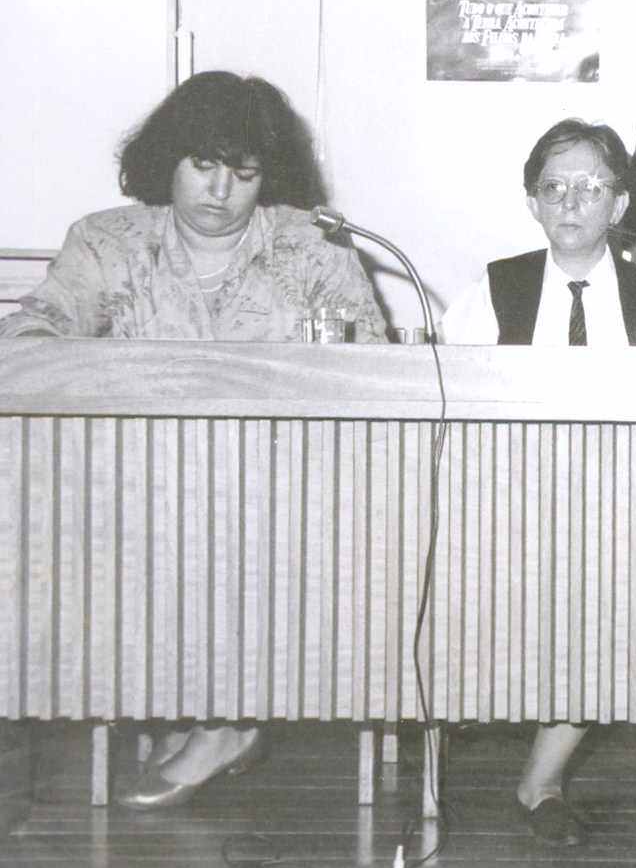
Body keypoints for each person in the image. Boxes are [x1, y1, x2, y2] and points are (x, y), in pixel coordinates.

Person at [0, 70, 388, 807]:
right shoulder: (107, 242)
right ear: (166, 160)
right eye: (203, 165)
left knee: (250, 536)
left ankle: (226, 720)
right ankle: (182, 704)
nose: (220, 191)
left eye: (244, 173)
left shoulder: (314, 247)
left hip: (281, 488)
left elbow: (372, 367)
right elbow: (27, 336)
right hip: (136, 482)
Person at [439, 119, 636, 847]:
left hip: (628, 517)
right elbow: (439, 400)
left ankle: (542, 780)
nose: (569, 202)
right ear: (532, 202)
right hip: (505, 509)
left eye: (589, 187)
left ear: (619, 205)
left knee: (613, 595)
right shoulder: (494, 289)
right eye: (552, 187)